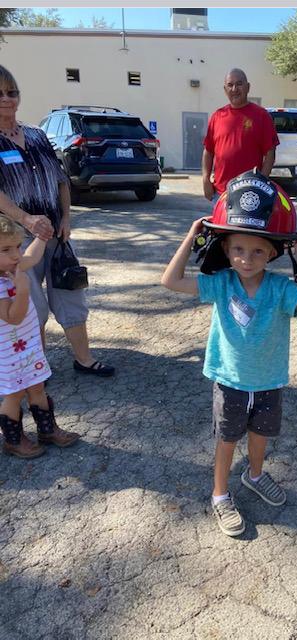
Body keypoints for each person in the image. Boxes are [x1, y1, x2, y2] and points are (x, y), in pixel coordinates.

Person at [161, 170, 297, 536]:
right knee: (227, 438)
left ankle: (254, 474)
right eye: (237, 249)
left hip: (268, 380)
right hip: (230, 381)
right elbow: (170, 281)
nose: (246, 258)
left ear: (272, 252)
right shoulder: (220, 284)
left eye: (257, 251)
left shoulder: (281, 289)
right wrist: (192, 237)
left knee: (259, 436)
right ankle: (220, 493)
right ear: (225, 249)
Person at [0, 65, 114, 377]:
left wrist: (66, 217)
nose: (7, 99)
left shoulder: (37, 135)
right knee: (30, 305)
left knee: (70, 293)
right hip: (16, 239)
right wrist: (26, 219)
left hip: (55, 233)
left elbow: (61, 180)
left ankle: (84, 359)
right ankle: (37, 368)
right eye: (0, 94)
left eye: (12, 92)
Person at [0, 216, 80, 458]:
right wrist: (23, 290)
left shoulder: (12, 268)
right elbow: (13, 316)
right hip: (8, 354)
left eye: (17, 247)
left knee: (37, 385)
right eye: (6, 249)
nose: (16, 255)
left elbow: (33, 257)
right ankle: (13, 440)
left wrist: (41, 237)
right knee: (14, 394)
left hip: (29, 346)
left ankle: (47, 429)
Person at [202, 68, 279, 202]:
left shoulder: (262, 116)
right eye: (230, 85)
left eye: (239, 84)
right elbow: (208, 151)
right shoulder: (217, 116)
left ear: (248, 87)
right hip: (220, 195)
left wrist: (261, 184)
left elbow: (270, 154)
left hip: (249, 196)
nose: (234, 89)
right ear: (225, 89)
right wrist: (205, 179)